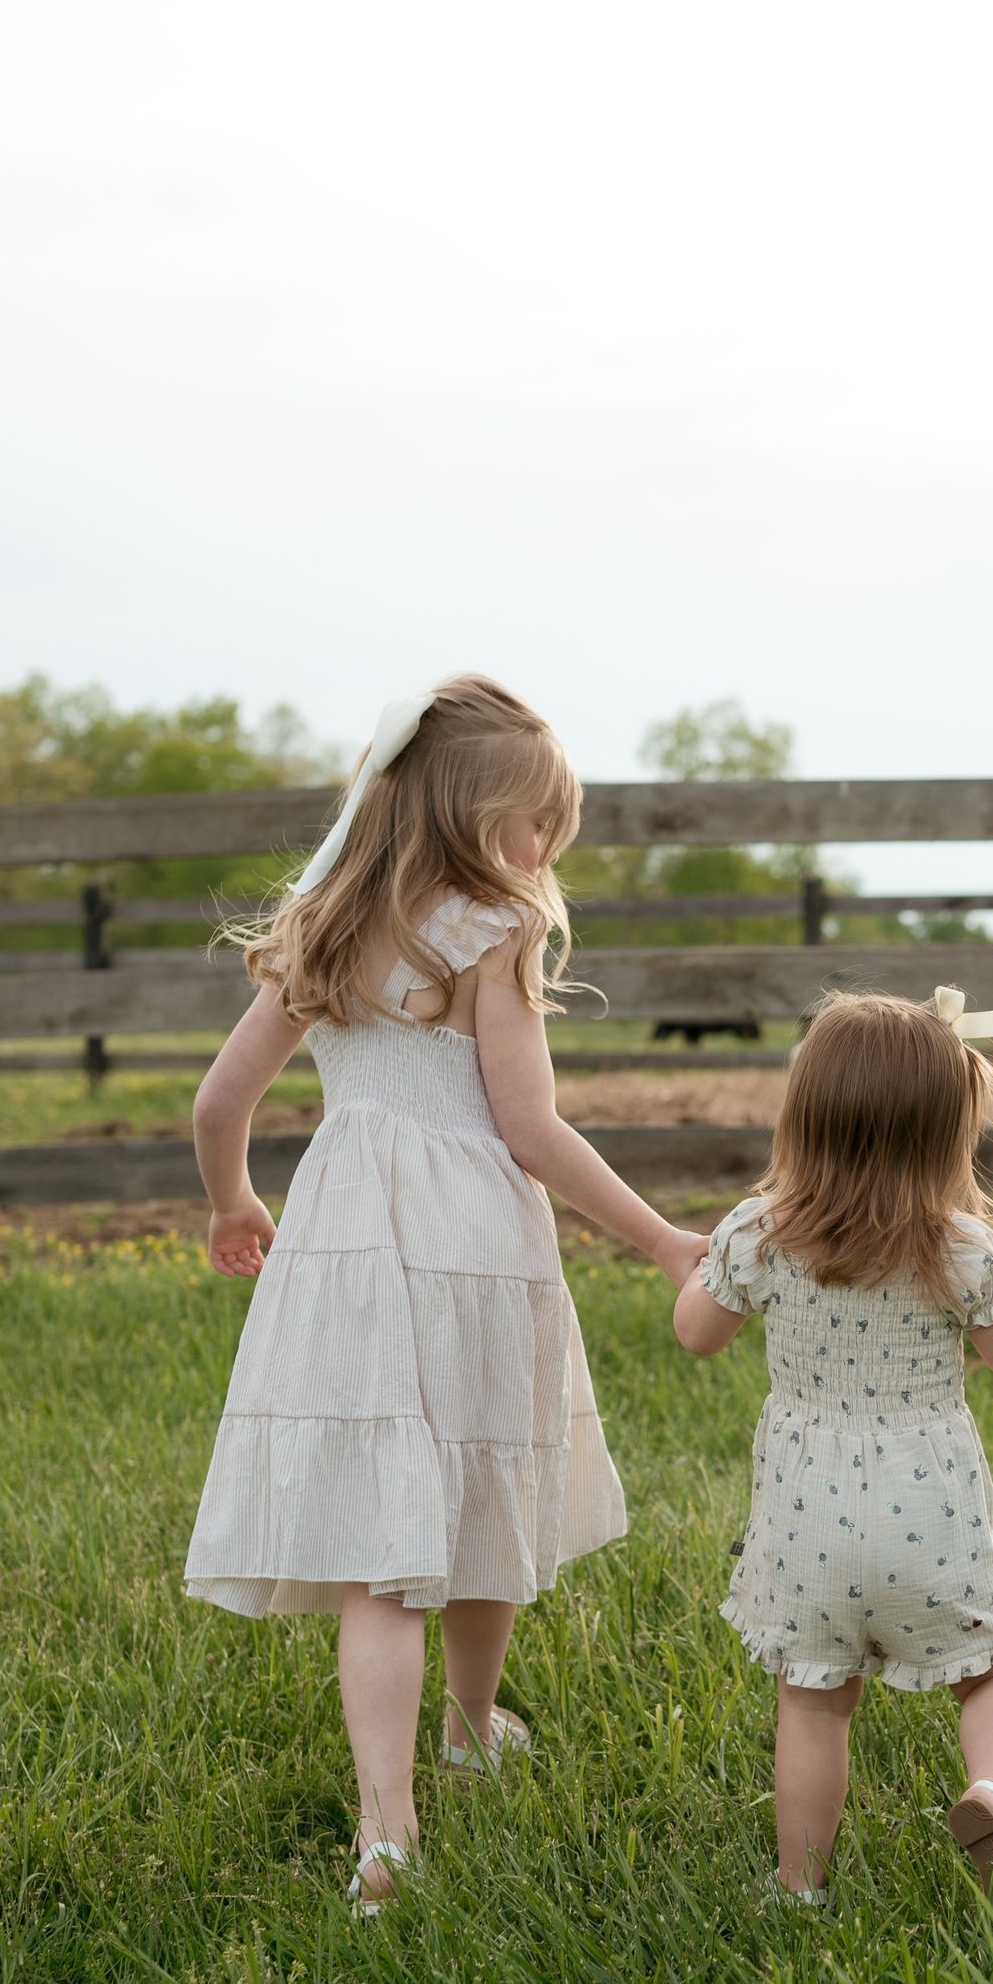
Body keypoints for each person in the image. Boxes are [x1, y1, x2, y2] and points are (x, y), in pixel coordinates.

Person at [185, 676, 708, 1911]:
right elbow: (531, 1130)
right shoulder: (493, 930)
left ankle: (387, 1833)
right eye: (539, 827)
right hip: (474, 1245)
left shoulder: (320, 925)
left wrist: (233, 1202)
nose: (547, 854)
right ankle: (468, 1726)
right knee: (483, 1486)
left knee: (383, 1553)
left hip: (346, 1254)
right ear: (478, 820)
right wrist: (662, 1239)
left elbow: (220, 1104)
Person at [673, 987, 993, 1933]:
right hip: (928, 1518)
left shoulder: (757, 1234)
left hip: (804, 1523)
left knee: (814, 1703)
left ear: (804, 1115)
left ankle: (799, 1890)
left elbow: (696, 1334)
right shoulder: (960, 1250)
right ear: (949, 1135)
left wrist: (696, 1275)